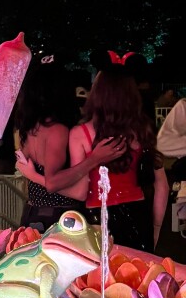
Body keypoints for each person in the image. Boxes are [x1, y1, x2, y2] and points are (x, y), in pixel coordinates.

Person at [68, 66, 169, 251]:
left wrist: (42, 179)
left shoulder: (80, 134)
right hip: (137, 216)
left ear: (97, 94)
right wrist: (155, 228)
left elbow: (79, 191)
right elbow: (162, 185)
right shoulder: (141, 131)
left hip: (97, 217)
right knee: (136, 268)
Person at [11, 62, 111, 231]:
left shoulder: (29, 128)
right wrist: (94, 160)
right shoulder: (57, 130)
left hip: (33, 213)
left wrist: (33, 176)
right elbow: (64, 187)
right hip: (59, 217)